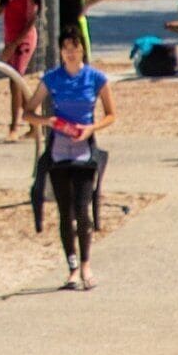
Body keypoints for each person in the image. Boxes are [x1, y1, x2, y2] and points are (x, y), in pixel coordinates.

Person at [34, 27, 114, 287]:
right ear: (60, 50)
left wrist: (91, 128)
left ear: (82, 50)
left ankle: (86, 265)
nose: (70, 53)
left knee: (83, 207)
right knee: (65, 211)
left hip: (84, 150)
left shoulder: (96, 78)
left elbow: (111, 114)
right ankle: (71, 265)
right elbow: (28, 112)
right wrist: (49, 120)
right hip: (59, 150)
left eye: (75, 48)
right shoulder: (51, 78)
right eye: (66, 48)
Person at [0, 0, 46, 122]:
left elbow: (31, 19)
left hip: (23, 40)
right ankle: (34, 123)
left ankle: (14, 126)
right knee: (17, 81)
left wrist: (14, 44)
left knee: (15, 81)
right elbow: (3, 8)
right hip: (10, 37)